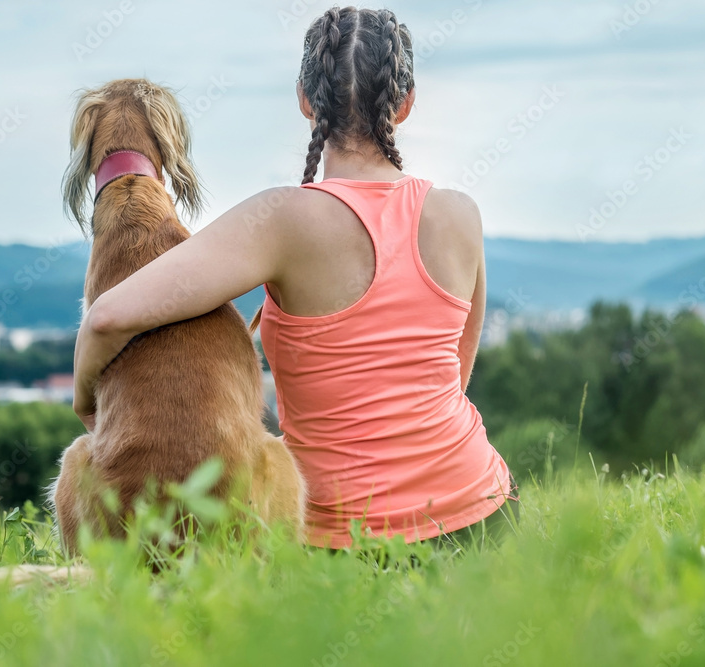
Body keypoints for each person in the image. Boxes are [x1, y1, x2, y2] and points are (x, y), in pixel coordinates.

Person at [71, 6, 517, 549]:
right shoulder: (460, 213)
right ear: (405, 103)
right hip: (482, 513)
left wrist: (86, 405)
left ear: (306, 100)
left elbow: (109, 316)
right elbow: (453, 378)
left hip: (337, 540)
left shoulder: (282, 220)